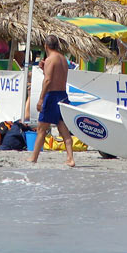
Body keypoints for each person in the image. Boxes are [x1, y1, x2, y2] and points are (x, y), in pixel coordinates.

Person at [27, 35, 75, 167]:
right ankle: (70, 158)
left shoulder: (50, 59)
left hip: (52, 96)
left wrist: (41, 99)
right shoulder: (63, 59)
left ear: (46, 46)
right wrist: (44, 70)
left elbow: (48, 80)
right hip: (62, 94)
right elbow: (56, 76)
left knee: (42, 128)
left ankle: (34, 157)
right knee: (62, 127)